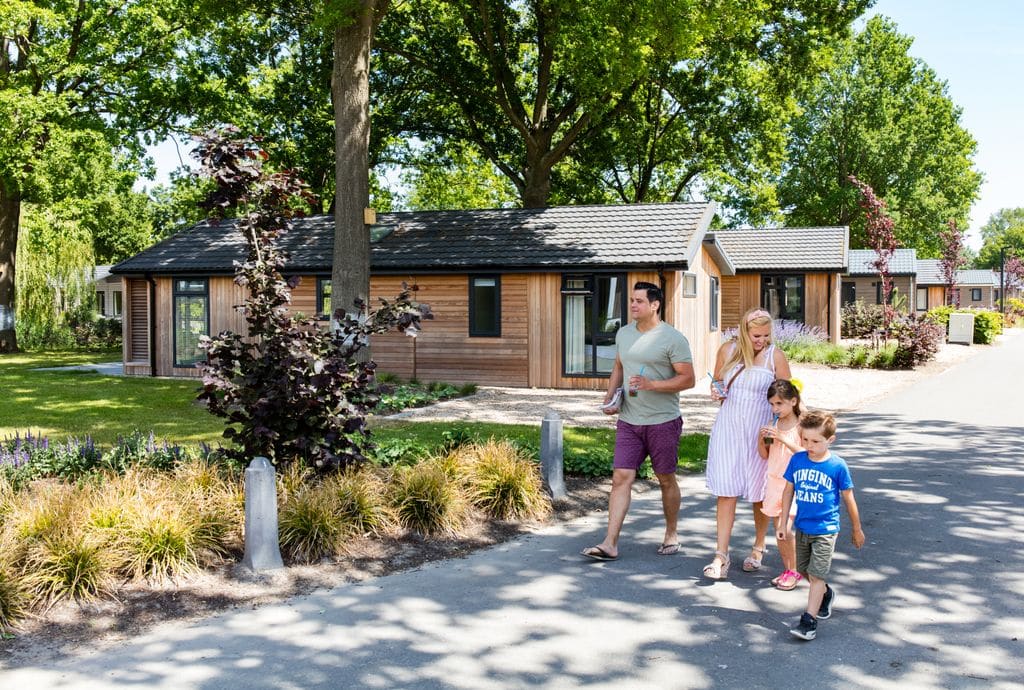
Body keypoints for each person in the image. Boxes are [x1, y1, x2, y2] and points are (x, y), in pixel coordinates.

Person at [581, 282, 695, 561]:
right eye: (631, 300)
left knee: (665, 479)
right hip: (629, 420)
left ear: (655, 305)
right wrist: (610, 399)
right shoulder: (624, 333)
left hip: (663, 421)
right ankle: (610, 543)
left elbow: (688, 379)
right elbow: (618, 366)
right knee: (621, 477)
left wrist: (651, 384)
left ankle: (671, 533)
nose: (633, 305)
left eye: (639, 301)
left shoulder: (672, 338)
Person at [703, 308, 791, 579]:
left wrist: (784, 431)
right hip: (729, 428)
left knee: (760, 492)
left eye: (765, 335)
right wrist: (716, 390)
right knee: (726, 491)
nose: (761, 340)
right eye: (756, 335)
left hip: (760, 430)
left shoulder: (774, 356)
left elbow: (788, 396)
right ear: (744, 331)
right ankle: (721, 555)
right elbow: (718, 382)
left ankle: (758, 547)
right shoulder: (727, 351)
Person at [779, 411, 865, 641]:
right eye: (804, 440)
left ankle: (809, 621)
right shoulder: (797, 460)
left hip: (826, 529)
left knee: (816, 576)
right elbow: (788, 491)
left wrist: (857, 529)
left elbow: (848, 497)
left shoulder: (837, 466)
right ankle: (825, 594)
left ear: (830, 440)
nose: (809, 445)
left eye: (815, 441)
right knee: (806, 571)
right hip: (802, 527)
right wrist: (782, 520)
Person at [757, 378, 804, 590]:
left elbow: (807, 454)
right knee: (779, 530)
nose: (775, 408)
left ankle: (795, 571)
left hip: (794, 484)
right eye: (772, 404)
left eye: (779, 404)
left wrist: (783, 439)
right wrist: (762, 439)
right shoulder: (772, 425)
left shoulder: (801, 426)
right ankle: (788, 569)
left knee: (786, 528)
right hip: (774, 481)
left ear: (793, 401)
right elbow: (764, 455)